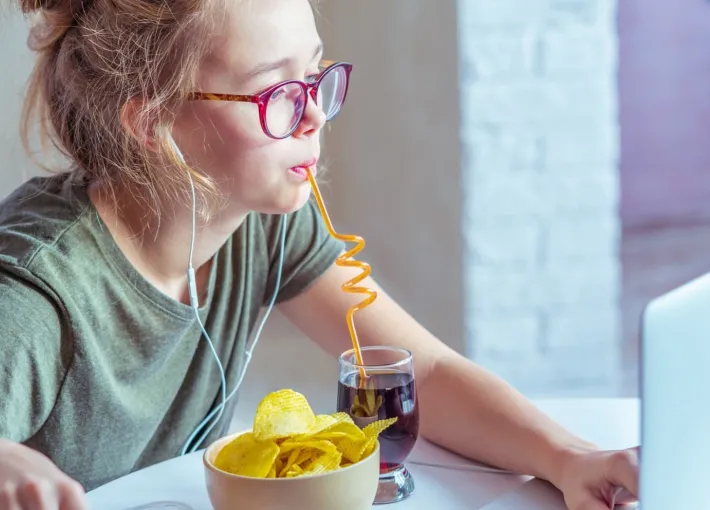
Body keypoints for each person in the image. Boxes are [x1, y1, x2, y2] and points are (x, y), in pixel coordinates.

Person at [0, 0, 639, 508]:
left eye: (315, 75)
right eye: (276, 93)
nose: (314, 118)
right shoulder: (38, 291)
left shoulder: (260, 222)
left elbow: (427, 376)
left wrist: (569, 458)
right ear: (154, 123)